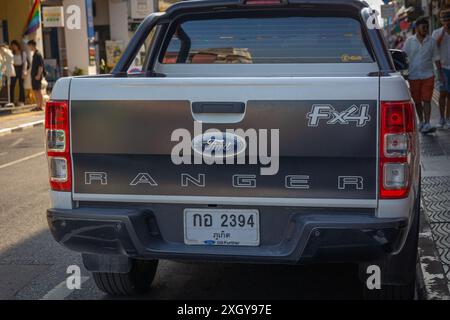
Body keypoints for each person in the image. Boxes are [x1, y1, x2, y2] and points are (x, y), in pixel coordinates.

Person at [403, 17, 442, 134]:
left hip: (428, 75)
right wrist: (404, 74)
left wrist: (440, 74)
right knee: (417, 101)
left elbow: (436, 58)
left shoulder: (432, 41)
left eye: (427, 27)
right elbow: (405, 59)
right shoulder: (409, 41)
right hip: (413, 75)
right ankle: (422, 122)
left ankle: (427, 122)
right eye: (423, 27)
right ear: (416, 28)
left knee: (427, 100)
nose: (425, 29)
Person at [432, 8, 450, 129]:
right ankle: (441, 118)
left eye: (448, 19)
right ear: (441, 21)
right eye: (444, 20)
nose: (447, 22)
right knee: (442, 93)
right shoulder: (437, 32)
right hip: (441, 67)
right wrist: (443, 32)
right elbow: (434, 47)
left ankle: (448, 118)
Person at [9, 40, 28, 106]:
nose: (13, 47)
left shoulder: (23, 53)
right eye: (12, 46)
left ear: (17, 45)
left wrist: (24, 71)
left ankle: (21, 100)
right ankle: (11, 100)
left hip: (21, 68)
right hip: (14, 68)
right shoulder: (12, 53)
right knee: (12, 85)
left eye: (14, 45)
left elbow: (25, 62)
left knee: (21, 85)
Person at [27, 40, 44, 111]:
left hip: (37, 76)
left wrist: (38, 75)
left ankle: (40, 106)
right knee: (35, 91)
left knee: (38, 91)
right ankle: (38, 105)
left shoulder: (38, 54)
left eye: (29, 46)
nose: (29, 47)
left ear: (32, 45)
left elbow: (41, 66)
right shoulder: (34, 54)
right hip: (34, 76)